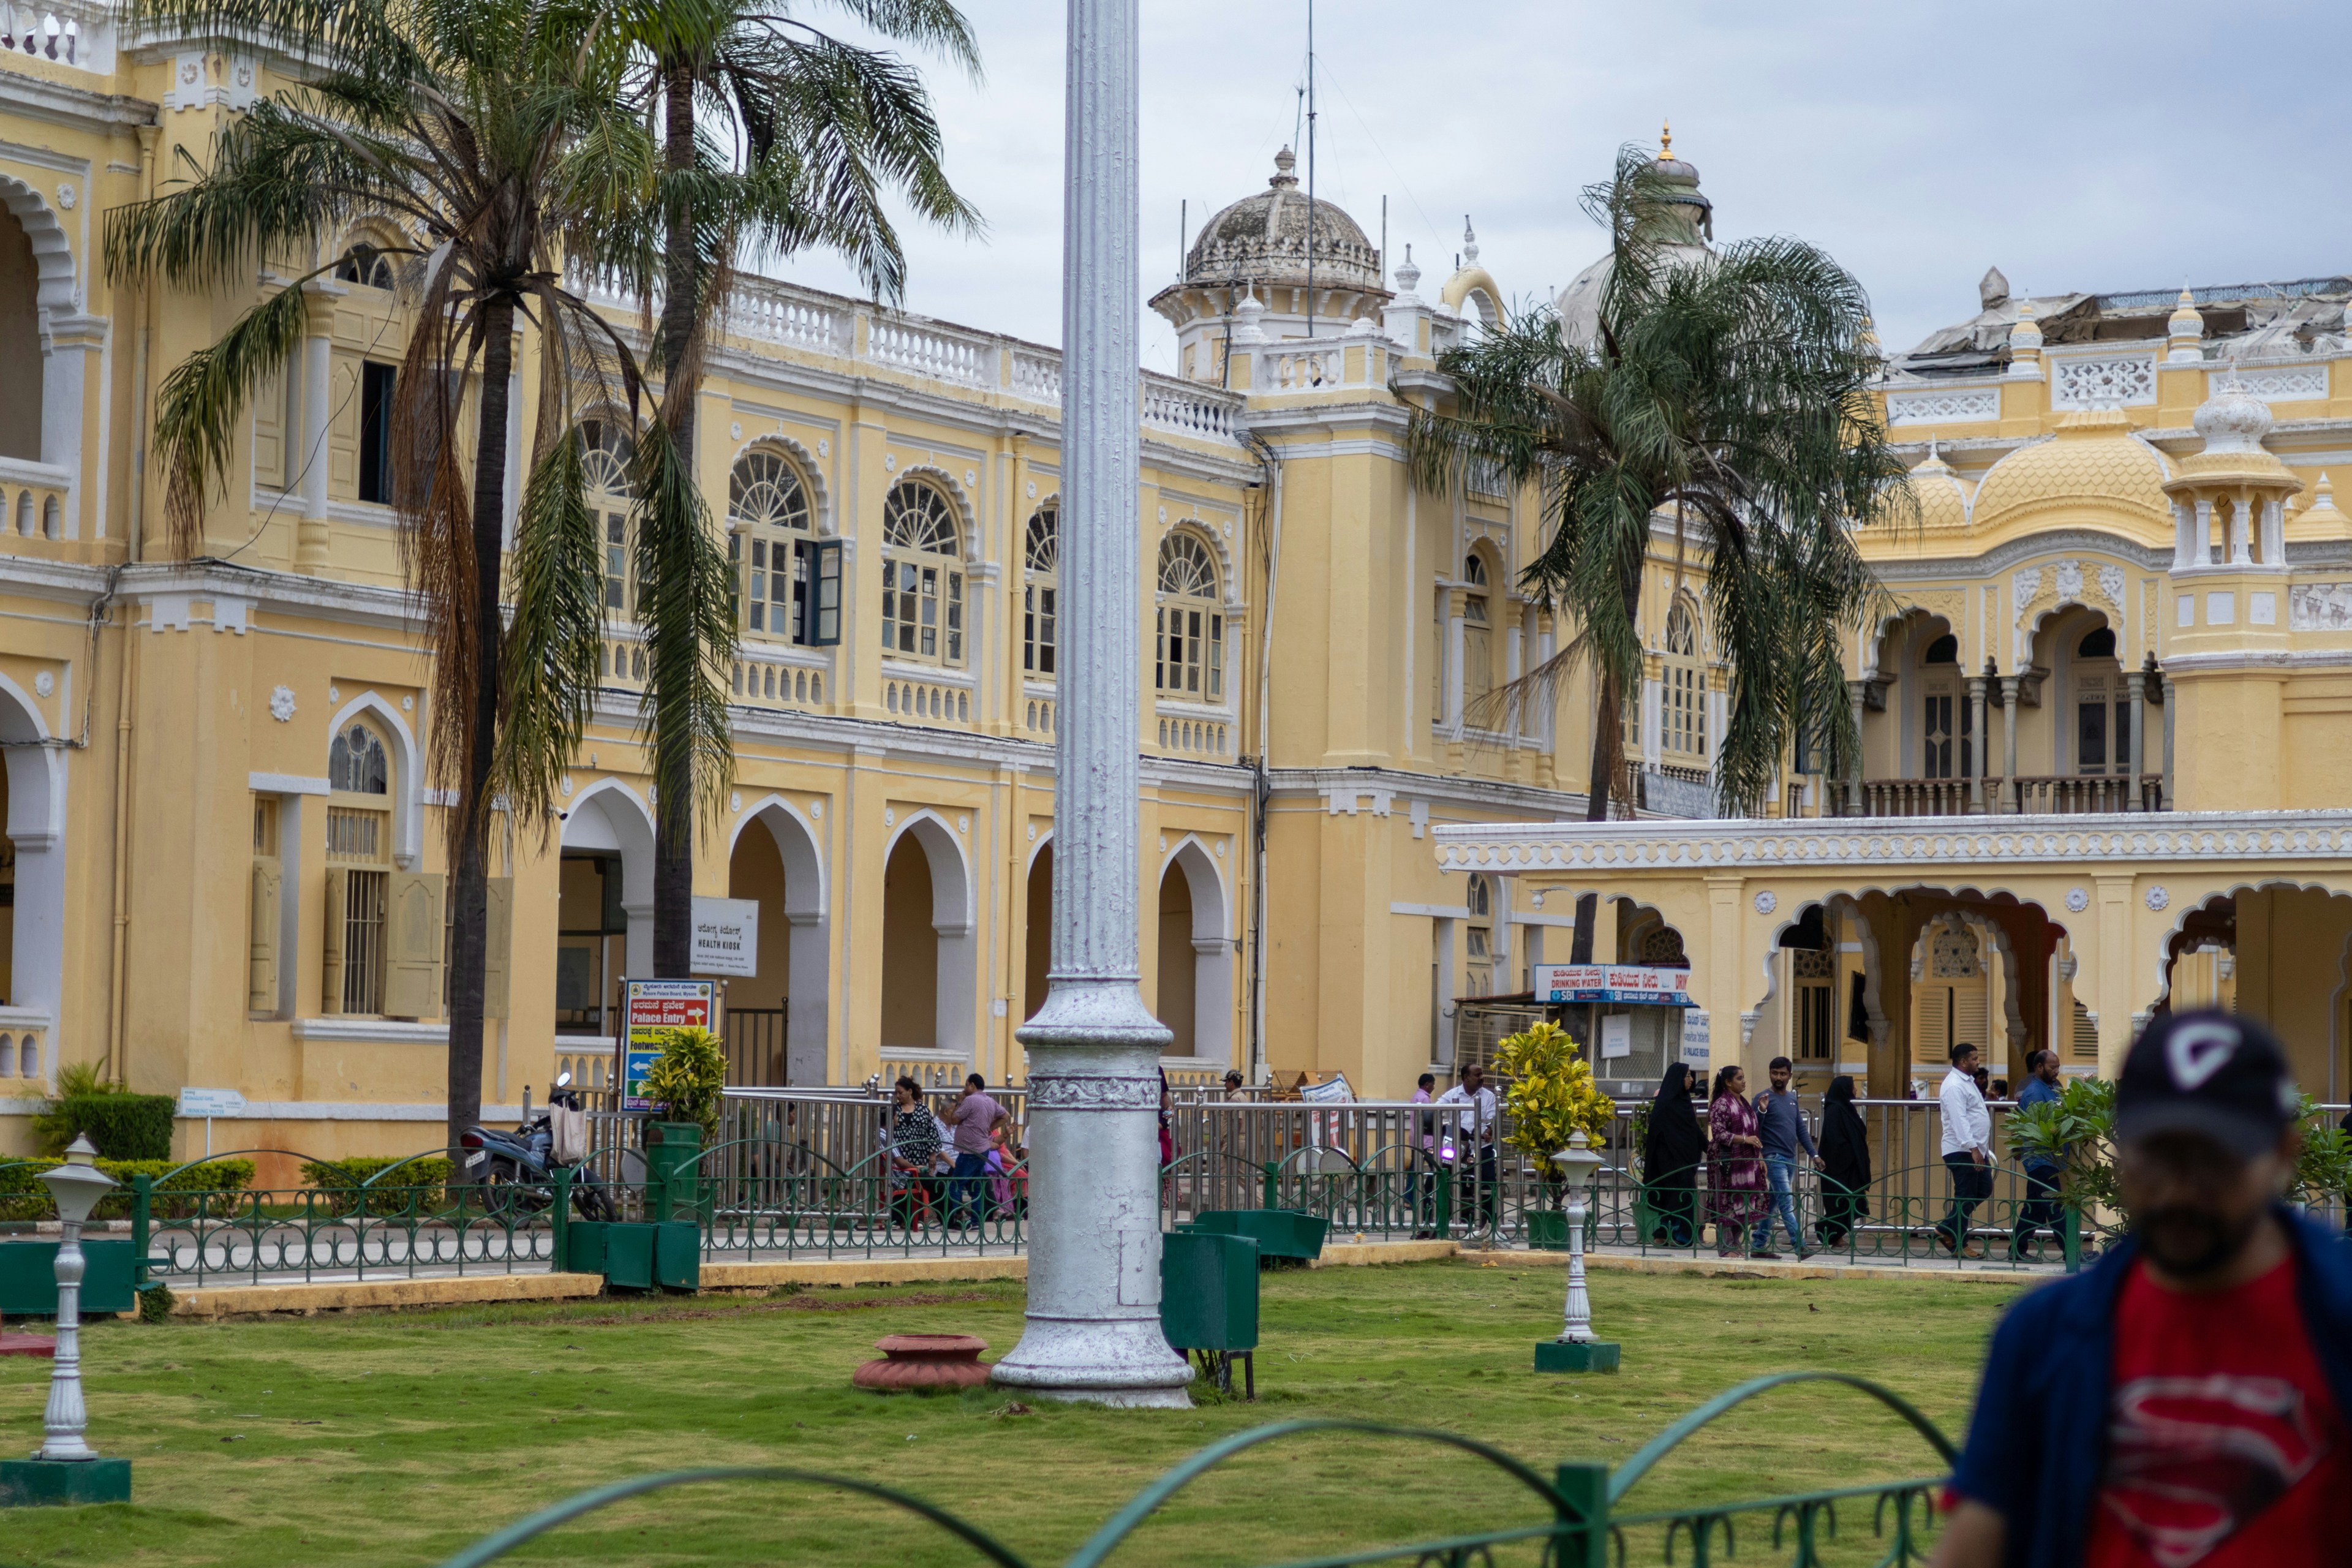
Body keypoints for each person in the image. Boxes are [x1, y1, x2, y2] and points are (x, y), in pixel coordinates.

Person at [1932, 1010, 2352, 1568]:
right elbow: (1977, 1542)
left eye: (2214, 1160)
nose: (2181, 1189)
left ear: (2282, 1153)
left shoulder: (2335, 1321)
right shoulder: (2045, 1336)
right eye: (2157, 1155)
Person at [1753, 1055, 1822, 1260]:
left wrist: (1814, 1154)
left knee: (1772, 1204)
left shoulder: (1792, 1099)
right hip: (1773, 1158)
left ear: (1790, 1076)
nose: (1778, 1077)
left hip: (1790, 1158)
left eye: (1783, 1074)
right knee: (1786, 1203)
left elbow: (1801, 1129)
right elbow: (1754, 1129)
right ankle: (1799, 1246)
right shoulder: (1762, 1098)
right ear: (1770, 1074)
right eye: (1775, 1073)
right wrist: (1762, 1111)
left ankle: (1758, 1244)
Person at [1705, 1064, 1769, 1257]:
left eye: (1744, 1077)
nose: (1744, 1081)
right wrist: (1744, 1140)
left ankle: (1736, 1243)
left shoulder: (1743, 1103)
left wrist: (1760, 1157)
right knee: (1727, 1204)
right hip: (1727, 1163)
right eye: (1739, 1078)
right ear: (1728, 1082)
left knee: (1745, 1204)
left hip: (1747, 1163)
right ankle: (1726, 1248)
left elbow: (1752, 1130)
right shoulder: (1722, 1104)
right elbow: (1719, 1134)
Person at [1937, 1042, 1992, 1258]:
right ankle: (1958, 1244)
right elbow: (1959, 1120)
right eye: (1974, 1058)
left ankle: (1946, 1229)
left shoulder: (1967, 1081)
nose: (1978, 1062)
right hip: (1962, 1150)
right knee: (1966, 1195)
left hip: (1975, 1150)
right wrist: (1973, 1149)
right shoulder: (1953, 1085)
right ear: (1962, 1061)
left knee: (1983, 1189)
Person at [2010, 1047, 2065, 1262]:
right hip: (2041, 1158)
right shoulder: (2034, 1093)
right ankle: (2072, 1252)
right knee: (2055, 1206)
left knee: (2033, 1210)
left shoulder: (2049, 1089)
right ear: (2039, 1067)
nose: (2057, 1071)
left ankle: (2017, 1250)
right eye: (2053, 1067)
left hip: (2047, 1158)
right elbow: (2041, 1126)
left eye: (2058, 1067)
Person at [1642, 1063, 1704, 1247]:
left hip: (1685, 1161)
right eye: (1687, 1076)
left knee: (1684, 1197)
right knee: (1675, 1197)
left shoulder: (1684, 1101)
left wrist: (1710, 1148)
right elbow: (1658, 1134)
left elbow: (1693, 1130)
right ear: (1678, 1078)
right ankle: (1672, 1235)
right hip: (1669, 1161)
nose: (1691, 1080)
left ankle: (1674, 1235)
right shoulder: (1666, 1103)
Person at [1435, 1064, 1500, 1235]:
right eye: (1477, 1074)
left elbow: (1494, 1119)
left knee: (1489, 1183)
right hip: (1456, 1148)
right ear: (1465, 1078)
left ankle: (1491, 1226)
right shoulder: (1452, 1095)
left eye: (1482, 1074)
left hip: (1481, 1147)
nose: (1481, 1077)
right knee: (1437, 1180)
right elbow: (1436, 1109)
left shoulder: (1489, 1096)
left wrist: (1489, 1131)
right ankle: (1433, 1225)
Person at [1814, 1074, 1871, 1250]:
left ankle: (1835, 1237)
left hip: (1849, 1168)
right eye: (1852, 1087)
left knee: (1851, 1201)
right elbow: (1835, 1141)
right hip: (1839, 1169)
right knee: (1840, 1203)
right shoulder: (1835, 1110)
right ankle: (1827, 1233)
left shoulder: (1845, 1109)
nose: (1855, 1090)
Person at [884, 1076, 940, 1230]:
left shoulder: (923, 1109)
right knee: (903, 1185)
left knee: (922, 1185)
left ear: (910, 1092)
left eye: (901, 1092)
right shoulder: (894, 1110)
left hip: (920, 1156)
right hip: (901, 1157)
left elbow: (932, 1132)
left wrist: (932, 1155)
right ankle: (900, 1219)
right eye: (896, 1093)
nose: (898, 1096)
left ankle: (921, 1218)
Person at [948, 1072, 1003, 1227]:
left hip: (969, 1150)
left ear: (972, 1085)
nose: (965, 1088)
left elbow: (954, 1119)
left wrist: (959, 1102)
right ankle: (977, 1220)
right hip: (982, 1148)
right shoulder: (990, 1101)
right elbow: (1006, 1116)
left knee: (956, 1185)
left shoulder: (970, 1100)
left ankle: (956, 1219)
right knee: (975, 1186)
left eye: (966, 1085)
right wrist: (990, 1128)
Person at [1408, 1071, 1439, 1238]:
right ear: (1428, 1084)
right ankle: (1417, 1194)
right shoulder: (1425, 1099)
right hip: (1426, 1140)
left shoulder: (1415, 1096)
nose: (1434, 1087)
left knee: (1415, 1168)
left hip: (1415, 1138)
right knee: (1434, 1169)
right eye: (1433, 1084)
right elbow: (1428, 1120)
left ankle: (1411, 1194)